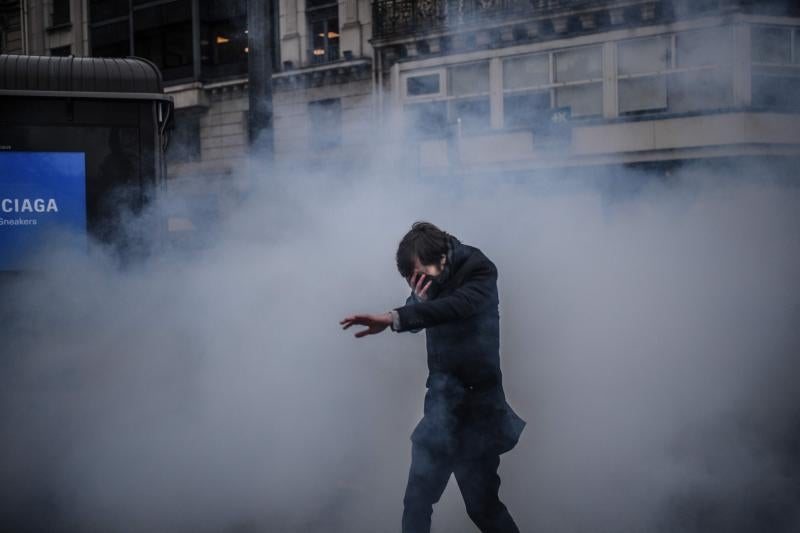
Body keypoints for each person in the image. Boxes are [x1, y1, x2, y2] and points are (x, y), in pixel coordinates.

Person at [340, 221, 525, 533]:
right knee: (416, 501)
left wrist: (393, 317)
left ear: (441, 258)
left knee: (483, 508)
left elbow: (454, 307)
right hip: (441, 407)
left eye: (420, 275)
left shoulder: (479, 269)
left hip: (478, 411)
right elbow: (420, 317)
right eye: (412, 279)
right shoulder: (430, 276)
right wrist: (411, 306)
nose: (417, 282)